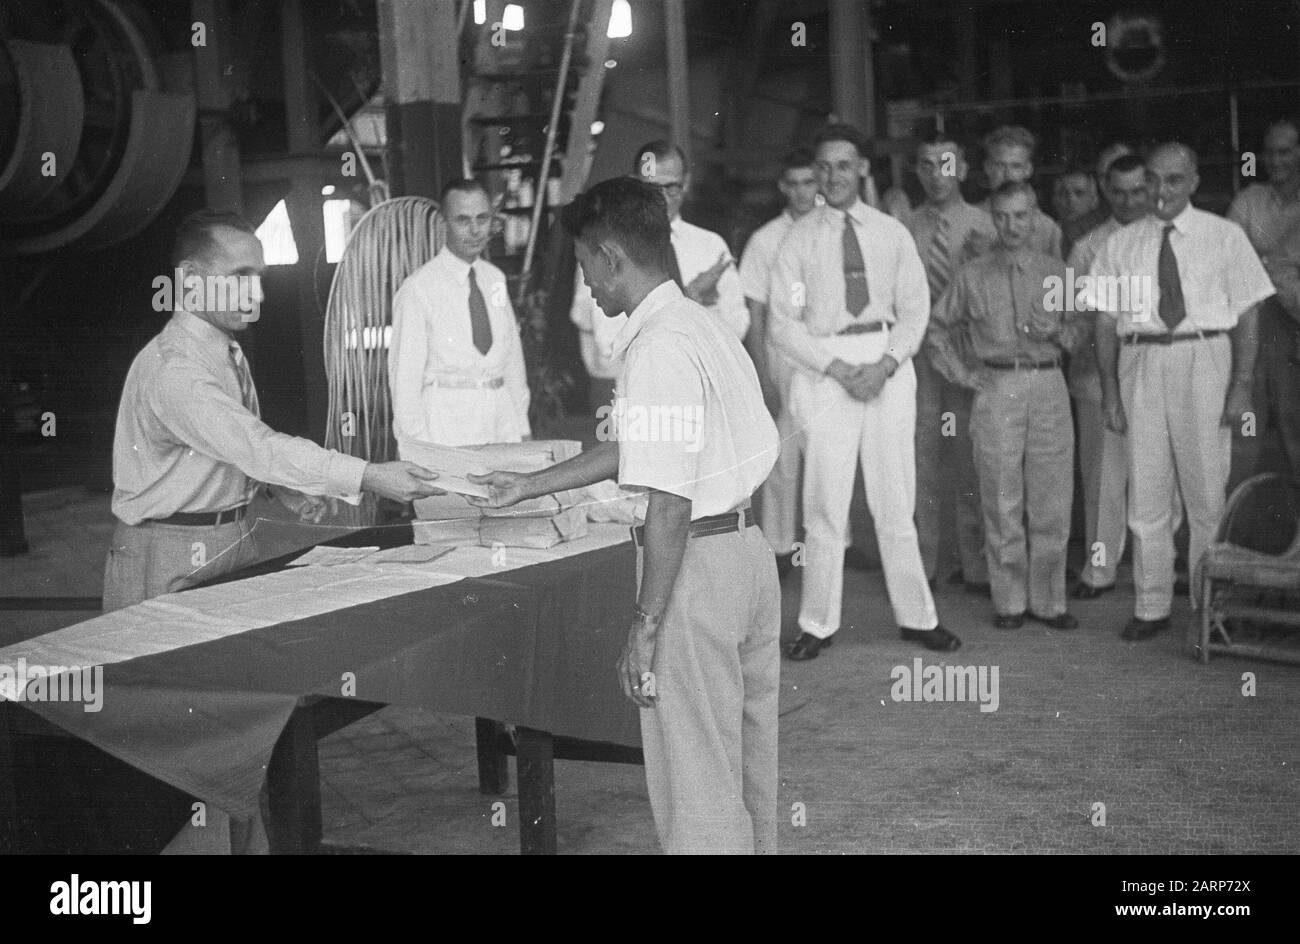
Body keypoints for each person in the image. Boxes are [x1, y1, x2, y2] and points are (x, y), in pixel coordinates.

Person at [106, 209, 444, 851]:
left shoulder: (221, 350)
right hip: (166, 559)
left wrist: (287, 489)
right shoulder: (178, 367)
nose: (257, 293)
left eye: (259, 276)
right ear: (190, 281)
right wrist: (368, 475)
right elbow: (254, 445)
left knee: (231, 742)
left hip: (217, 546)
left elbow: (231, 456)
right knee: (191, 754)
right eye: (241, 276)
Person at [470, 177, 781, 854]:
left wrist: (645, 626)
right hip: (747, 557)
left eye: (586, 271)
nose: (589, 289)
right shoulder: (699, 324)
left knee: (697, 781)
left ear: (611, 256)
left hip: (693, 566)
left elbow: (668, 505)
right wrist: (527, 486)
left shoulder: (657, 347)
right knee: (745, 769)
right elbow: (641, 447)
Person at [768, 122, 960, 661]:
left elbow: (915, 308)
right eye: (824, 167)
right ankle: (816, 623)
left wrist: (886, 363)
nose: (833, 176)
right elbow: (783, 324)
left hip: (886, 367)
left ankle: (918, 618)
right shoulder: (796, 239)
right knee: (824, 504)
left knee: (895, 500)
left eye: (844, 165)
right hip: (826, 371)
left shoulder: (890, 233)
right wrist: (837, 368)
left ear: (862, 170)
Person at [1091, 143, 1274, 640]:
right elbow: (1106, 323)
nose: (1161, 191)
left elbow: (1248, 315)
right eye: (1153, 180)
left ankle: (1206, 602)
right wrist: (1109, 390)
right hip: (1142, 360)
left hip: (1203, 357)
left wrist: (1239, 386)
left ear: (1193, 182)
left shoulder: (1224, 236)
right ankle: (1151, 605)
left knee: (1205, 491)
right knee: (1146, 488)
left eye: (1174, 180)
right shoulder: (1120, 244)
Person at [929, 182, 1087, 629]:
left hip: (1048, 382)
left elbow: (1082, 333)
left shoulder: (1057, 272)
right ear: (992, 218)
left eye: (1021, 216)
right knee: (1001, 496)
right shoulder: (972, 275)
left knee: (1052, 496)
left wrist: (1055, 332)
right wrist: (962, 374)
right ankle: (1010, 601)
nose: (1011, 226)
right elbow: (937, 330)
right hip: (997, 385)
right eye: (1002, 217)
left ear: (1036, 216)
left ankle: (1050, 601)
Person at [570, 141, 749, 412]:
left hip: (700, 392)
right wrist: (692, 299)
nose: (662, 198)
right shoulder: (606, 248)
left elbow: (736, 325)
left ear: (686, 183)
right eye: (651, 188)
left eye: (672, 187)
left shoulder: (710, 246)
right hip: (628, 393)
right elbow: (610, 343)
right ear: (633, 184)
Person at [906, 132, 995, 596]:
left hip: (969, 352)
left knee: (970, 459)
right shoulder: (905, 226)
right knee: (923, 459)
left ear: (961, 168)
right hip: (921, 357)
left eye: (945, 163)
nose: (936, 174)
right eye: (925, 165)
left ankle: (976, 563)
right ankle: (926, 563)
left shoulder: (986, 224)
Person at [1068, 153, 1158, 599]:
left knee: (1158, 475)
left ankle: (1156, 571)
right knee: (1103, 479)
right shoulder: (1088, 246)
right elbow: (1074, 314)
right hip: (1096, 372)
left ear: (1151, 188)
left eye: (1138, 190)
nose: (1129, 200)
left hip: (1154, 368)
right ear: (1106, 191)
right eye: (1119, 192)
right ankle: (1100, 569)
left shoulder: (1166, 238)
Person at [388, 178, 531, 448]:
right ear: (443, 223)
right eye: (463, 220)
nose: (476, 230)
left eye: (483, 218)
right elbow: (404, 382)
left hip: (502, 423)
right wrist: (418, 449)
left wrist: (522, 428)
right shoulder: (418, 289)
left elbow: (512, 360)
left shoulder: (495, 279)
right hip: (447, 428)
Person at [738, 146, 819, 576]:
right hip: (781, 356)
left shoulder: (832, 230)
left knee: (824, 454)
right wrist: (762, 375)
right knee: (783, 458)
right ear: (783, 187)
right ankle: (781, 549)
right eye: (796, 183)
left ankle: (829, 547)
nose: (804, 191)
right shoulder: (765, 238)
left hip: (824, 356)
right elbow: (753, 311)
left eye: (811, 182)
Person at [1228, 117, 1300, 475]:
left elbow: (1251, 263)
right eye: (1269, 153)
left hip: (1296, 326)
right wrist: (1283, 264)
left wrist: (1263, 262)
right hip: (1254, 325)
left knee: (1295, 420)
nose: (1276, 161)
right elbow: (1228, 261)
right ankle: (1239, 514)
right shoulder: (1249, 201)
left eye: (1285, 151)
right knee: (1247, 421)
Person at [978, 125, 1063, 258]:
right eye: (1000, 165)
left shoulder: (1047, 228)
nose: (1008, 174)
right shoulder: (970, 222)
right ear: (987, 167)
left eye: (1015, 166)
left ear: (1028, 169)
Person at [1053, 164, 1107, 259]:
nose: (1071, 200)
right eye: (1063, 193)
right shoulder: (1047, 235)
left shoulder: (1107, 239)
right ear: (1054, 199)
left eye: (1079, 193)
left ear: (1094, 199)